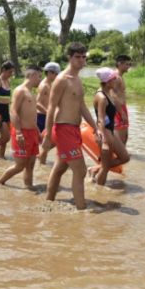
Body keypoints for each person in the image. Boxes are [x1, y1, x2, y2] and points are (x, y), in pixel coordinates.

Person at [40, 42, 100, 210]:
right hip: (63, 128)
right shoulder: (61, 80)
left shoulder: (78, 80)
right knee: (80, 170)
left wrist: (95, 127)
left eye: (83, 57)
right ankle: (82, 209)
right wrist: (46, 137)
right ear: (70, 58)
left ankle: (48, 202)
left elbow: (82, 106)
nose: (81, 60)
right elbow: (51, 108)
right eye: (77, 57)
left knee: (60, 167)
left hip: (75, 128)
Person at [0, 65, 42, 188]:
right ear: (32, 75)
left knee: (31, 164)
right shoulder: (20, 90)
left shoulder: (32, 93)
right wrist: (18, 132)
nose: (40, 80)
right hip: (22, 133)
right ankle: (0, 182)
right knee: (20, 165)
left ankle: (29, 187)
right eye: (39, 76)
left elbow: (32, 116)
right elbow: (13, 111)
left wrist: (37, 132)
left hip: (32, 132)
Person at [89, 67, 130, 185]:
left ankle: (94, 169)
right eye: (113, 79)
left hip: (110, 131)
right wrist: (104, 139)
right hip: (105, 133)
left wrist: (122, 113)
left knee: (125, 157)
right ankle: (100, 192)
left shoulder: (109, 92)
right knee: (105, 168)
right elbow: (101, 119)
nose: (116, 81)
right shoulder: (101, 97)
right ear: (107, 82)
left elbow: (115, 101)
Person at [36, 61, 60, 164]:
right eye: (56, 74)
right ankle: (41, 163)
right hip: (42, 117)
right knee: (48, 142)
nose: (57, 76)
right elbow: (37, 103)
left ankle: (41, 159)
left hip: (48, 117)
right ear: (49, 73)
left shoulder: (51, 84)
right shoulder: (44, 85)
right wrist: (49, 114)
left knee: (53, 141)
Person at [111, 54, 132, 144]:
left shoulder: (120, 76)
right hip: (117, 109)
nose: (128, 67)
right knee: (120, 136)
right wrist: (121, 112)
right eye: (127, 64)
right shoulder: (115, 77)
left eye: (129, 64)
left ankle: (122, 155)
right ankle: (119, 155)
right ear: (120, 64)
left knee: (125, 135)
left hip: (122, 107)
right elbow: (112, 94)